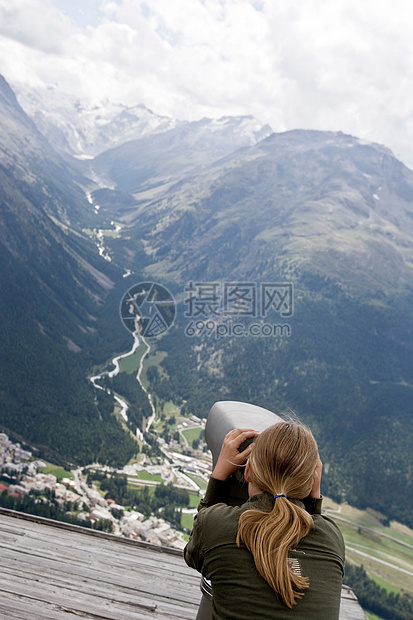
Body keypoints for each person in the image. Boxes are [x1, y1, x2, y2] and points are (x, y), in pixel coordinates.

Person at [184, 422, 345, 619]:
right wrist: (313, 500)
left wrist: (218, 477)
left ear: (248, 470)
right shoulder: (332, 538)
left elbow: (194, 554)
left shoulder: (217, 526)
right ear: (312, 481)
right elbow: (311, 530)